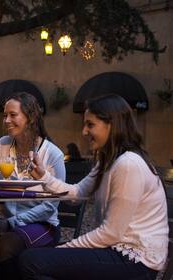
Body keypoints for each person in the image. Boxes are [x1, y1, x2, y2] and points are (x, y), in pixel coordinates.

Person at [19, 94, 168, 280]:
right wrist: (43, 176)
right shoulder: (107, 161)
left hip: (135, 262)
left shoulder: (128, 164)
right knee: (30, 259)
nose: (83, 132)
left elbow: (110, 233)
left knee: (32, 261)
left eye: (90, 125)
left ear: (112, 125)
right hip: (113, 250)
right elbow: (76, 194)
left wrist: (64, 249)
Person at [0, 92, 66, 279]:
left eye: (13, 115)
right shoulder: (4, 144)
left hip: (42, 224)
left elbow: (50, 206)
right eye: (5, 115)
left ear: (30, 117)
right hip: (4, 222)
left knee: (6, 245)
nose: (6, 120)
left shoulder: (52, 154)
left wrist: (12, 223)